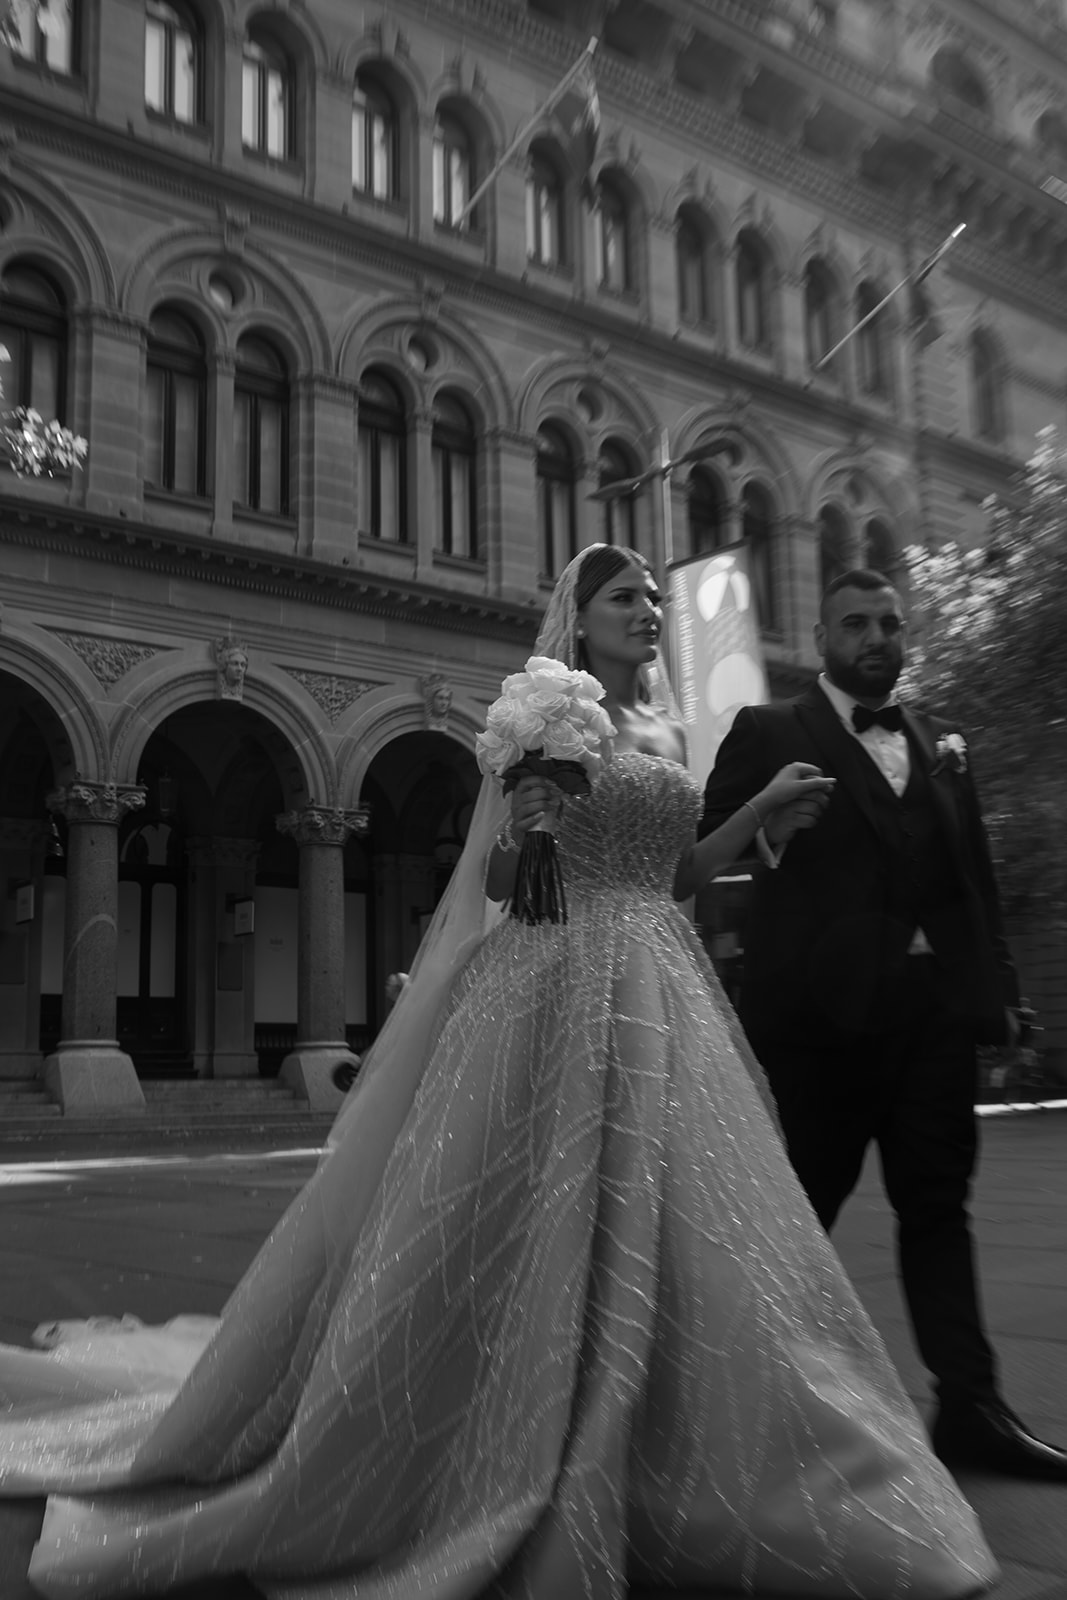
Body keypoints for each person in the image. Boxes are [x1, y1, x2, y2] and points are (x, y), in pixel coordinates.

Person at [0, 546, 997, 1599]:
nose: (648, 611)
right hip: (556, 979)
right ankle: (510, 1423)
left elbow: (674, 874)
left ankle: (674, 1432)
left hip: (662, 981)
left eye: (654, 597)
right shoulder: (548, 708)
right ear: (581, 614)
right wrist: (531, 826)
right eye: (625, 597)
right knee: (531, 1204)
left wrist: (757, 818)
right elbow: (501, 880)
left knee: (688, 1215)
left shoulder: (666, 729)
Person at [701, 565, 1067, 1483]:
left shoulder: (940, 738)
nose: (875, 639)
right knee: (798, 1218)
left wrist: (999, 992)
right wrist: (768, 823)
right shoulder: (767, 730)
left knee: (938, 1208)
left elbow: (972, 877)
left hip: (931, 1019)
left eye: (889, 624)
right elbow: (701, 854)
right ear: (821, 638)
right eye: (856, 624)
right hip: (815, 1028)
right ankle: (740, 1409)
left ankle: (970, 1407)